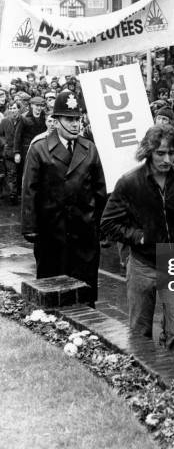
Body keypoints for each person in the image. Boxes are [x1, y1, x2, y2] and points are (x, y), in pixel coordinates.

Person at [100, 125, 174, 359]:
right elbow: (108, 223)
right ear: (148, 151)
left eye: (171, 153)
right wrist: (139, 236)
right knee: (139, 330)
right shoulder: (130, 182)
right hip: (143, 264)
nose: (166, 159)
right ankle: (143, 381)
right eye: (160, 153)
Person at [21, 91, 107, 305]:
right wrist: (30, 227)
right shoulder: (39, 149)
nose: (75, 124)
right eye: (69, 119)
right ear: (56, 121)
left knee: (84, 292)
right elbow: (30, 190)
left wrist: (103, 229)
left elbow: (99, 191)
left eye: (78, 119)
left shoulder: (90, 149)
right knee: (53, 292)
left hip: (84, 234)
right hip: (52, 233)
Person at [14, 96, 46, 171]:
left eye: (41, 106)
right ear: (31, 105)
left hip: (41, 149)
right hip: (27, 150)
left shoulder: (45, 117)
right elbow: (17, 136)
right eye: (37, 105)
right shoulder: (24, 118)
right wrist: (17, 152)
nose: (39, 108)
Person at [0, 101, 22, 204]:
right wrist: (5, 144)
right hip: (9, 152)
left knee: (20, 173)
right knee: (11, 173)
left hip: (21, 151)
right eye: (11, 108)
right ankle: (13, 195)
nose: (13, 110)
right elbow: (1, 135)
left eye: (14, 108)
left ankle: (20, 193)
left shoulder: (23, 121)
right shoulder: (5, 121)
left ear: (19, 109)